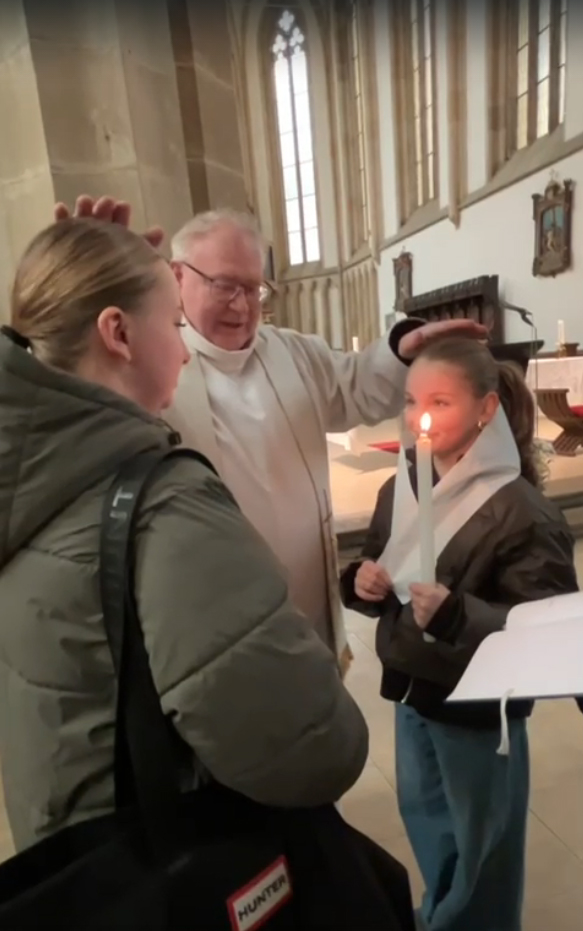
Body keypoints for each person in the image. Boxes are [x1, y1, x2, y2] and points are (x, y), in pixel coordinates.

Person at [0, 217, 372, 854]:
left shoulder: (27, 465)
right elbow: (312, 747)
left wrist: (77, 273)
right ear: (117, 332)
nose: (182, 351)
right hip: (170, 853)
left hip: (69, 841)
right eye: (174, 325)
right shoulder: (165, 505)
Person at [53, 196, 487, 675]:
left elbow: (358, 387)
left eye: (253, 289)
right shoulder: (149, 363)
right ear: (177, 276)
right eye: (225, 286)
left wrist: (400, 350)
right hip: (210, 617)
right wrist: (82, 298)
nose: (242, 306)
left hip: (305, 601)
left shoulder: (294, 353)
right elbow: (81, 411)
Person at [340, 338, 578, 931]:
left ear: (486, 409)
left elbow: (546, 632)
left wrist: (454, 616)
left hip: (476, 712)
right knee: (430, 827)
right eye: (412, 401)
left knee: (482, 849)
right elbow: (381, 561)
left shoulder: (520, 510)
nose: (420, 415)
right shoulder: (401, 487)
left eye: (440, 402)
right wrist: (361, 582)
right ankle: (443, 915)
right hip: (412, 695)